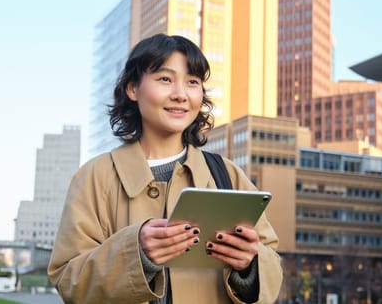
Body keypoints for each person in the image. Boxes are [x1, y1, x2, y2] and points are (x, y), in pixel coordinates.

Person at [48, 34, 283, 303]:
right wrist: (137, 255)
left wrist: (249, 266)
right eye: (165, 79)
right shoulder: (95, 176)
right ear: (133, 89)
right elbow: (69, 280)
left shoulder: (226, 174)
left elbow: (271, 264)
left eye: (192, 82)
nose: (180, 95)